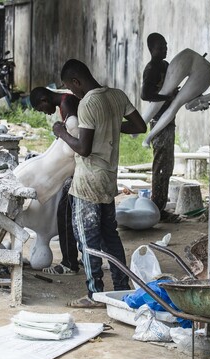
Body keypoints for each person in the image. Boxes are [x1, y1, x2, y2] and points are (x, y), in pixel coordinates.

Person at [52, 59, 147, 308]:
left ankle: (95, 295)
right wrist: (112, 127)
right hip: (108, 179)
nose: (72, 93)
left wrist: (61, 133)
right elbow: (140, 125)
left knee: (87, 240)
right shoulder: (117, 96)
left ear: (76, 81)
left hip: (87, 182)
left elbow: (83, 148)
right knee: (110, 236)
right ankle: (122, 289)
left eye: (71, 88)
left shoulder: (88, 103)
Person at [29, 87, 82, 275]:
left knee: (65, 215)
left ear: (44, 99)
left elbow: (77, 142)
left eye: (41, 108)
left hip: (78, 171)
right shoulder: (66, 104)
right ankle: (81, 258)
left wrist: (60, 132)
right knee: (73, 216)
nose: (45, 112)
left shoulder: (67, 103)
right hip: (75, 170)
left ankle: (69, 263)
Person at [141, 33, 180, 223]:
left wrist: (176, 93)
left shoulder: (165, 66)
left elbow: (171, 87)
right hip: (158, 122)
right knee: (161, 166)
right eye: (160, 47)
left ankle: (160, 206)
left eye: (165, 45)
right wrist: (167, 97)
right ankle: (157, 208)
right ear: (151, 49)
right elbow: (145, 94)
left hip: (168, 120)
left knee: (167, 166)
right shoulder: (152, 68)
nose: (165, 49)